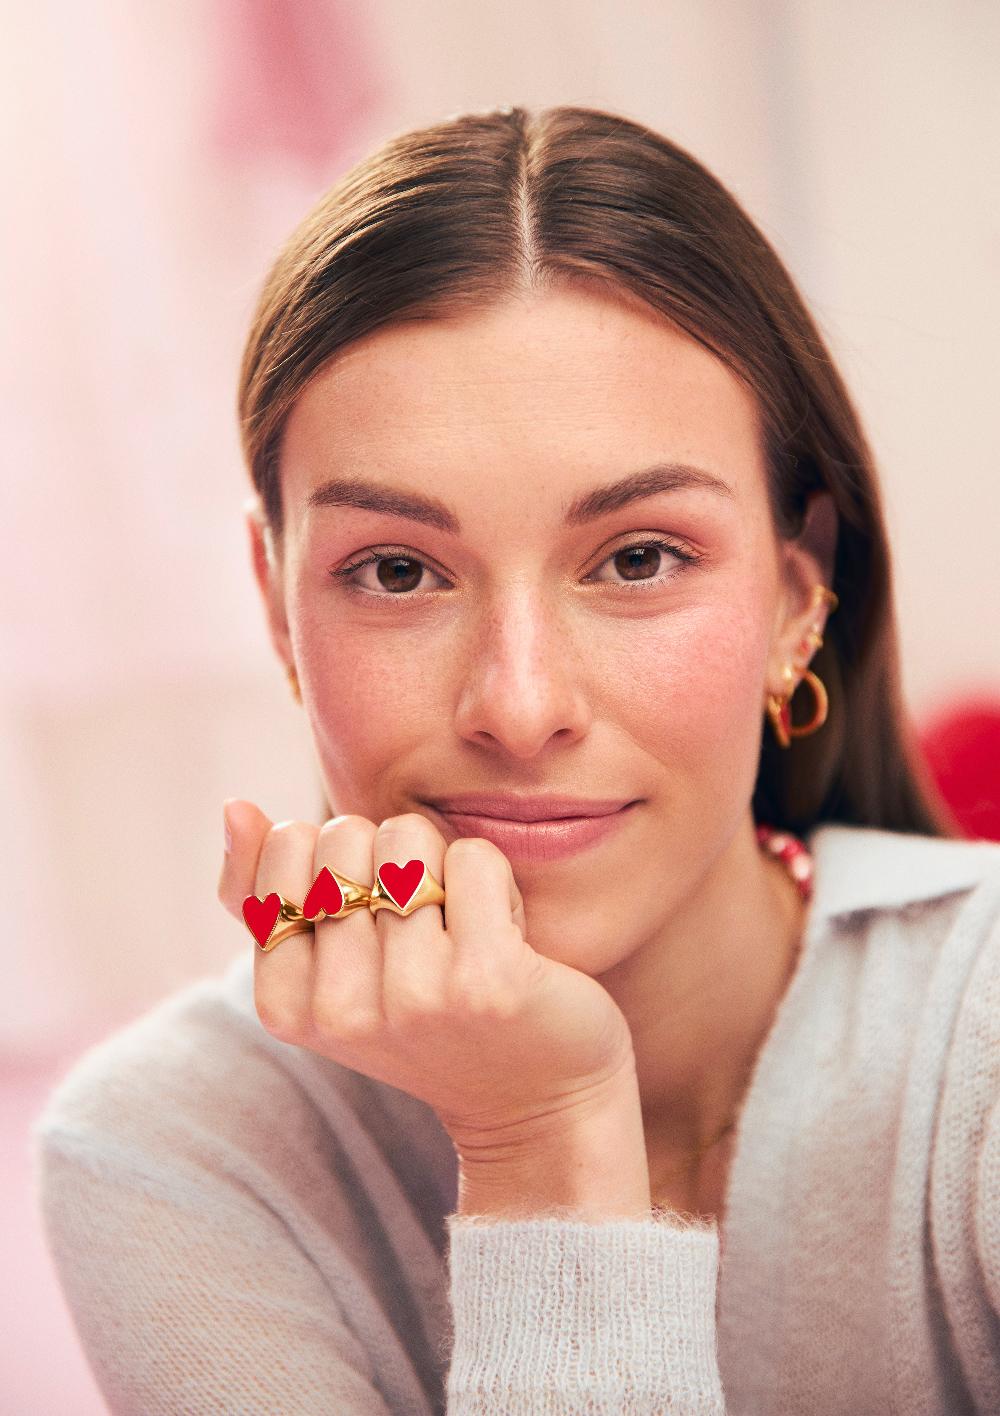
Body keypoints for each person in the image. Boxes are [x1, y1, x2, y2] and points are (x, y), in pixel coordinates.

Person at [32, 104, 1000, 1415]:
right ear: (275, 605)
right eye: (398, 571)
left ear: (795, 597)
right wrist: (541, 1139)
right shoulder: (178, 1143)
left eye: (640, 558)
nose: (520, 705)